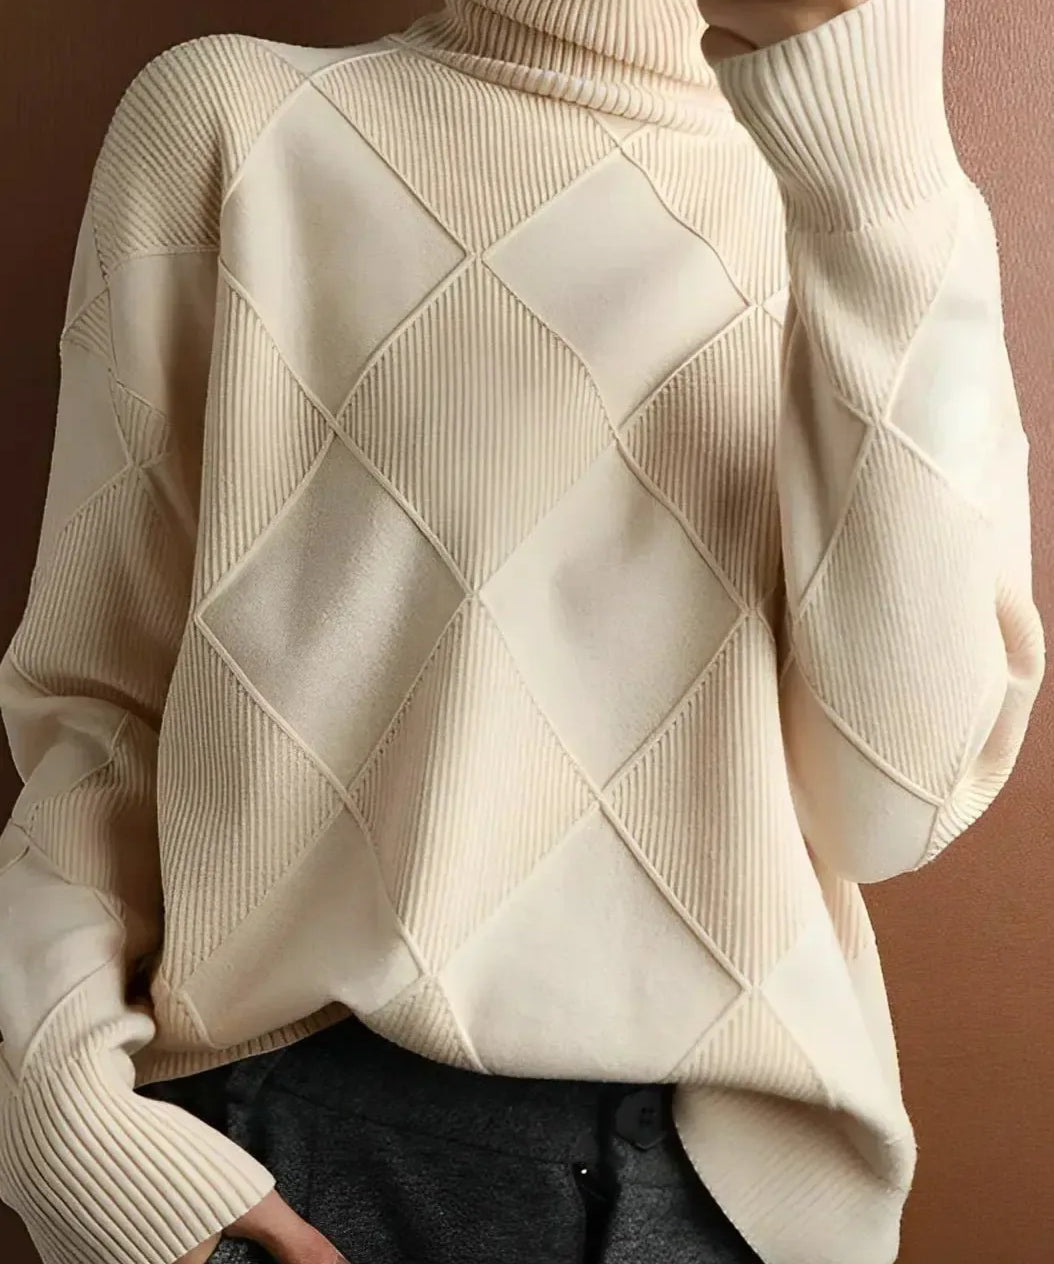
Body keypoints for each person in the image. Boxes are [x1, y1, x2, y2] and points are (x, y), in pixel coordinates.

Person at [0, 0, 1044, 1262]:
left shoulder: (883, 202)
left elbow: (894, 802)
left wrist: (868, 158)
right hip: (314, 1150)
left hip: (727, 1188)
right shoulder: (236, 123)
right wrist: (63, 1120)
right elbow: (99, 707)